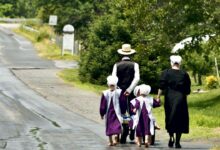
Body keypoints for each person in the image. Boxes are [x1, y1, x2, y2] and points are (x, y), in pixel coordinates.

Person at [157, 55, 191, 149]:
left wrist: (158, 97)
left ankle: (171, 137)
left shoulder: (166, 72)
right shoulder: (184, 74)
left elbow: (161, 86)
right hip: (180, 98)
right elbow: (188, 90)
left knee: (170, 116)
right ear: (180, 63)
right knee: (180, 118)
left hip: (169, 97)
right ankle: (178, 142)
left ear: (171, 63)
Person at [112, 44, 140, 143]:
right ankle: (132, 128)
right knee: (132, 109)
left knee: (120, 110)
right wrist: (130, 89)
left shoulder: (116, 65)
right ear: (131, 54)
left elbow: (113, 79)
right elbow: (137, 78)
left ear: (121, 54)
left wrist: (118, 89)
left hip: (119, 91)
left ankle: (124, 127)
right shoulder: (135, 65)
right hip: (131, 91)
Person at [99, 75, 126, 146]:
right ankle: (115, 137)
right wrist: (123, 111)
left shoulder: (105, 93)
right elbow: (123, 102)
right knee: (117, 125)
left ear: (108, 84)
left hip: (109, 113)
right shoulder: (120, 92)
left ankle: (111, 141)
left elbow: (103, 105)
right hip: (117, 112)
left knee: (109, 126)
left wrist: (102, 113)